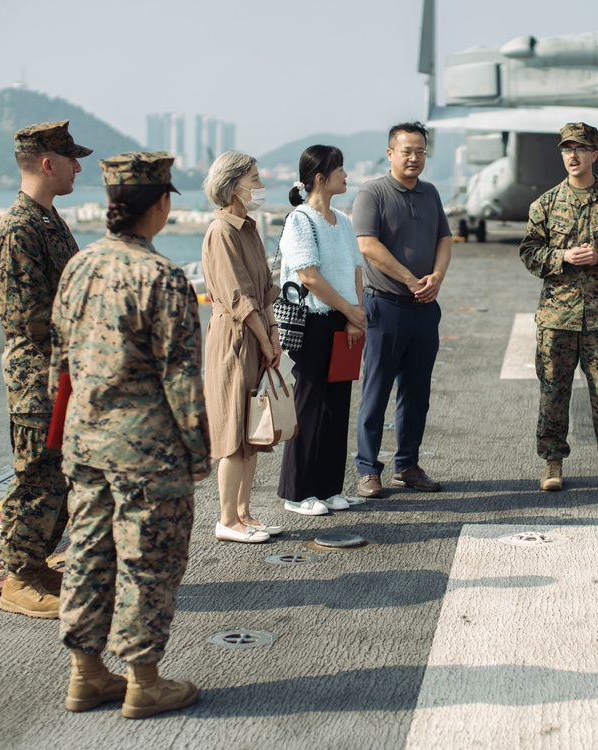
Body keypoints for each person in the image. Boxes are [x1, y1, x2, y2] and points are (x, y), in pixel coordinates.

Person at [50, 151, 210, 719]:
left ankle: (86, 675)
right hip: (146, 450)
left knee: (89, 553)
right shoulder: (162, 276)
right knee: (148, 560)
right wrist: (198, 451)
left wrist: (64, 431)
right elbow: (182, 375)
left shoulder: (80, 265)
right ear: (161, 204)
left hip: (84, 441)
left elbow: (59, 360)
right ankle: (144, 682)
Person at [0, 120, 91, 619]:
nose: (77, 166)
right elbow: (27, 318)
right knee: (37, 476)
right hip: (39, 377)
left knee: (61, 476)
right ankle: (19, 577)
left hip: (66, 372)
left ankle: (38, 563)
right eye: (71, 158)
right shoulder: (19, 228)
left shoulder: (49, 219)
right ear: (47, 163)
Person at [518, 122, 598, 492]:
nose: (572, 156)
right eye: (566, 150)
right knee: (553, 393)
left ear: (594, 154)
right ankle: (552, 463)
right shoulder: (546, 203)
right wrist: (562, 257)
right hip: (557, 318)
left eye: (579, 149)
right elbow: (529, 252)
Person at [351, 122, 452, 499]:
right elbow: (367, 244)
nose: (414, 157)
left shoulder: (430, 193)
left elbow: (444, 237)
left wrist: (437, 276)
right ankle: (367, 469)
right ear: (390, 153)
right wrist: (411, 280)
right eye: (406, 150)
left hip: (425, 307)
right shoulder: (372, 192)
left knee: (416, 391)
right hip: (386, 305)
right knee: (376, 390)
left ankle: (407, 465)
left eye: (421, 151)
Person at [277, 146, 366, 515]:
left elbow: (357, 270)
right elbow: (308, 276)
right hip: (313, 321)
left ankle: (329, 488)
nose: (346, 176)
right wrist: (351, 310)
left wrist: (353, 315)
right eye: (340, 170)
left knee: (337, 405)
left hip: (343, 320)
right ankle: (297, 493)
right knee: (310, 406)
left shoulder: (342, 221)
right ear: (320, 178)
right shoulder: (300, 220)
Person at [201, 151, 281, 542]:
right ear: (233, 185)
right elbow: (238, 296)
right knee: (233, 430)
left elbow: (264, 288)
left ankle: (245, 513)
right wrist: (266, 339)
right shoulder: (221, 232)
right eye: (253, 178)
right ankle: (226, 519)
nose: (259, 184)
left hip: (258, 333)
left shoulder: (248, 227)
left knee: (253, 428)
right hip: (234, 336)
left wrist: (274, 333)